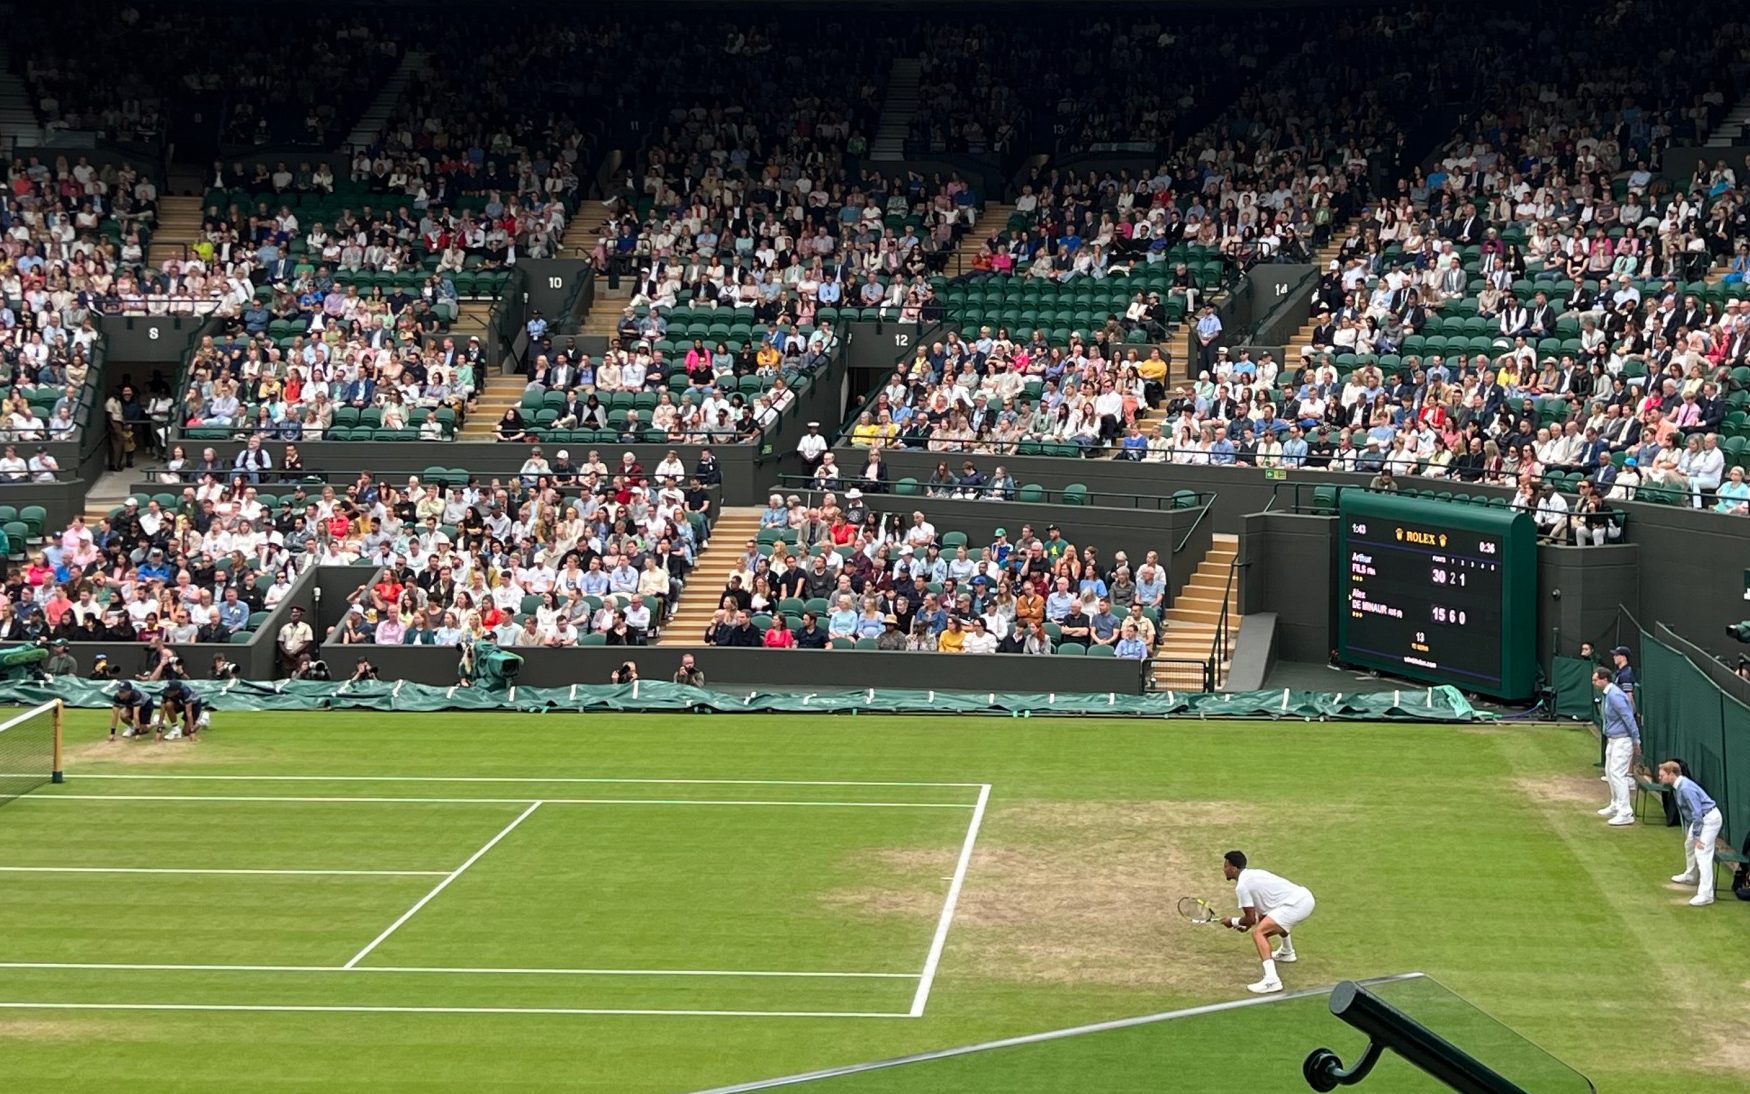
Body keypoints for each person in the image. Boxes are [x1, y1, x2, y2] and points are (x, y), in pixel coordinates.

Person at [1219, 850, 1315, 994]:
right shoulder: (1256, 874)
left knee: (1259, 933)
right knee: (1272, 920)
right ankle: (1287, 952)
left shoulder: (1242, 886)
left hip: (1295, 905)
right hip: (1305, 898)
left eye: (1226, 866)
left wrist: (1233, 921)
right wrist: (1244, 923)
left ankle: (1272, 980)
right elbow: (1262, 914)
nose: (1224, 869)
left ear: (1234, 868)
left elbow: (1250, 919)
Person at [1659, 761, 1723, 907]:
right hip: (1701, 818)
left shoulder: (1685, 788)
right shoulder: (1679, 786)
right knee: (1689, 844)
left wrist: (1696, 836)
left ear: (1671, 774)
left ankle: (1706, 895)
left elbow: (1697, 814)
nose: (1659, 777)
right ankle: (1691, 875)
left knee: (1702, 853)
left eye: (1662, 775)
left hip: (1709, 819)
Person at [1593, 667, 1641, 826]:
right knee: (1609, 771)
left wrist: (1636, 740)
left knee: (1618, 774)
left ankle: (1626, 812)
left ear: (1604, 679)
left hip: (1623, 740)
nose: (1594, 683)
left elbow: (1628, 717)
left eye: (1595, 680)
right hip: (1613, 740)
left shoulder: (1615, 695)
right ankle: (1615, 804)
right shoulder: (1608, 694)